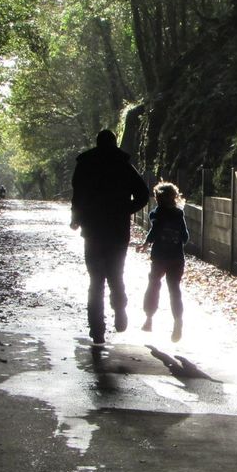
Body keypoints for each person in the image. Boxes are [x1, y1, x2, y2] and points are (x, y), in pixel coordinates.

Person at [70, 130, 150, 344]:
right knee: (116, 274)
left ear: (97, 143)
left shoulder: (85, 163)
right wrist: (126, 209)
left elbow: (77, 195)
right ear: (114, 143)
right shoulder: (123, 164)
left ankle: (97, 330)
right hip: (117, 230)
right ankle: (120, 309)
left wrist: (76, 218)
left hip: (93, 230)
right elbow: (143, 194)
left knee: (95, 280)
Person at [137, 182, 189, 342]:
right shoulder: (179, 214)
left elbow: (155, 229)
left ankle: (149, 318)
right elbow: (185, 237)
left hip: (159, 257)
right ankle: (178, 320)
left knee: (153, 285)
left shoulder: (156, 213)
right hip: (177, 258)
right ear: (174, 197)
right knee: (174, 290)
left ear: (158, 198)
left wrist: (146, 243)